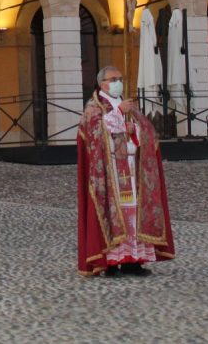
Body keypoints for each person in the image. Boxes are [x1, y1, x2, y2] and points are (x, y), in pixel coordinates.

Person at [77, 64, 175, 276]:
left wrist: (134, 130)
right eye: (113, 80)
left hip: (132, 168)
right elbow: (94, 132)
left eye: (120, 78)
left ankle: (133, 260)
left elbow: (146, 130)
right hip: (110, 171)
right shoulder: (94, 106)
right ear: (102, 83)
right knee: (114, 216)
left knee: (134, 214)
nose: (117, 83)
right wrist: (119, 117)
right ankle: (111, 263)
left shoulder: (126, 104)